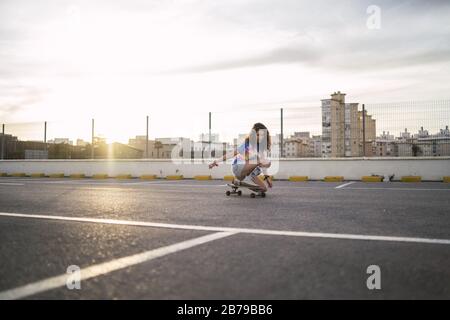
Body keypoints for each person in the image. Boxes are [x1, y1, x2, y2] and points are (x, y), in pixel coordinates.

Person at [209, 123, 272, 192]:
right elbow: (232, 154)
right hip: (237, 168)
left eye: (262, 135)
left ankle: (239, 181)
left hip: (247, 171)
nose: (260, 137)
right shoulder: (248, 143)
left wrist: (267, 177)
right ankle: (245, 179)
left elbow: (263, 165)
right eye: (257, 135)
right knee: (261, 160)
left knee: (264, 188)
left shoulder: (261, 148)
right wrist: (216, 161)